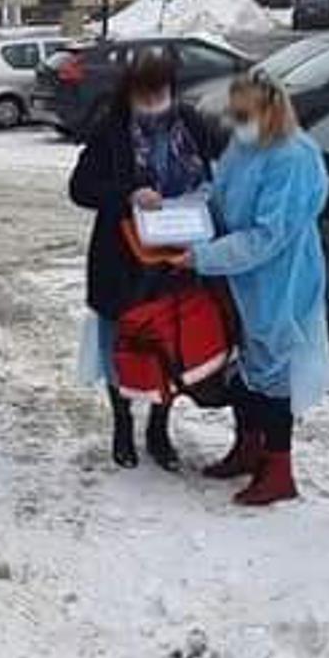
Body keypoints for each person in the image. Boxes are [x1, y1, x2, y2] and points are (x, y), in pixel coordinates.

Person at [175, 69, 329, 506]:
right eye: (234, 113)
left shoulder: (293, 158)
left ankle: (279, 469)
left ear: (271, 110)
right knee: (246, 369)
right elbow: (221, 198)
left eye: (245, 113)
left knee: (273, 373)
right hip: (241, 276)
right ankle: (248, 448)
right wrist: (184, 212)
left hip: (280, 280)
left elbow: (268, 236)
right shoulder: (244, 148)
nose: (237, 121)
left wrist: (203, 256)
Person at [69, 51, 224, 471]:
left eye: (163, 92)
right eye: (148, 93)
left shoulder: (191, 124)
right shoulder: (112, 129)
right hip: (123, 259)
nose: (156, 101)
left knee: (169, 343)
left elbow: (218, 171)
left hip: (179, 255)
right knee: (121, 343)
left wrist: (208, 199)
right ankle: (122, 424)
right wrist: (127, 194)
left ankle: (159, 424)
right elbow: (80, 187)